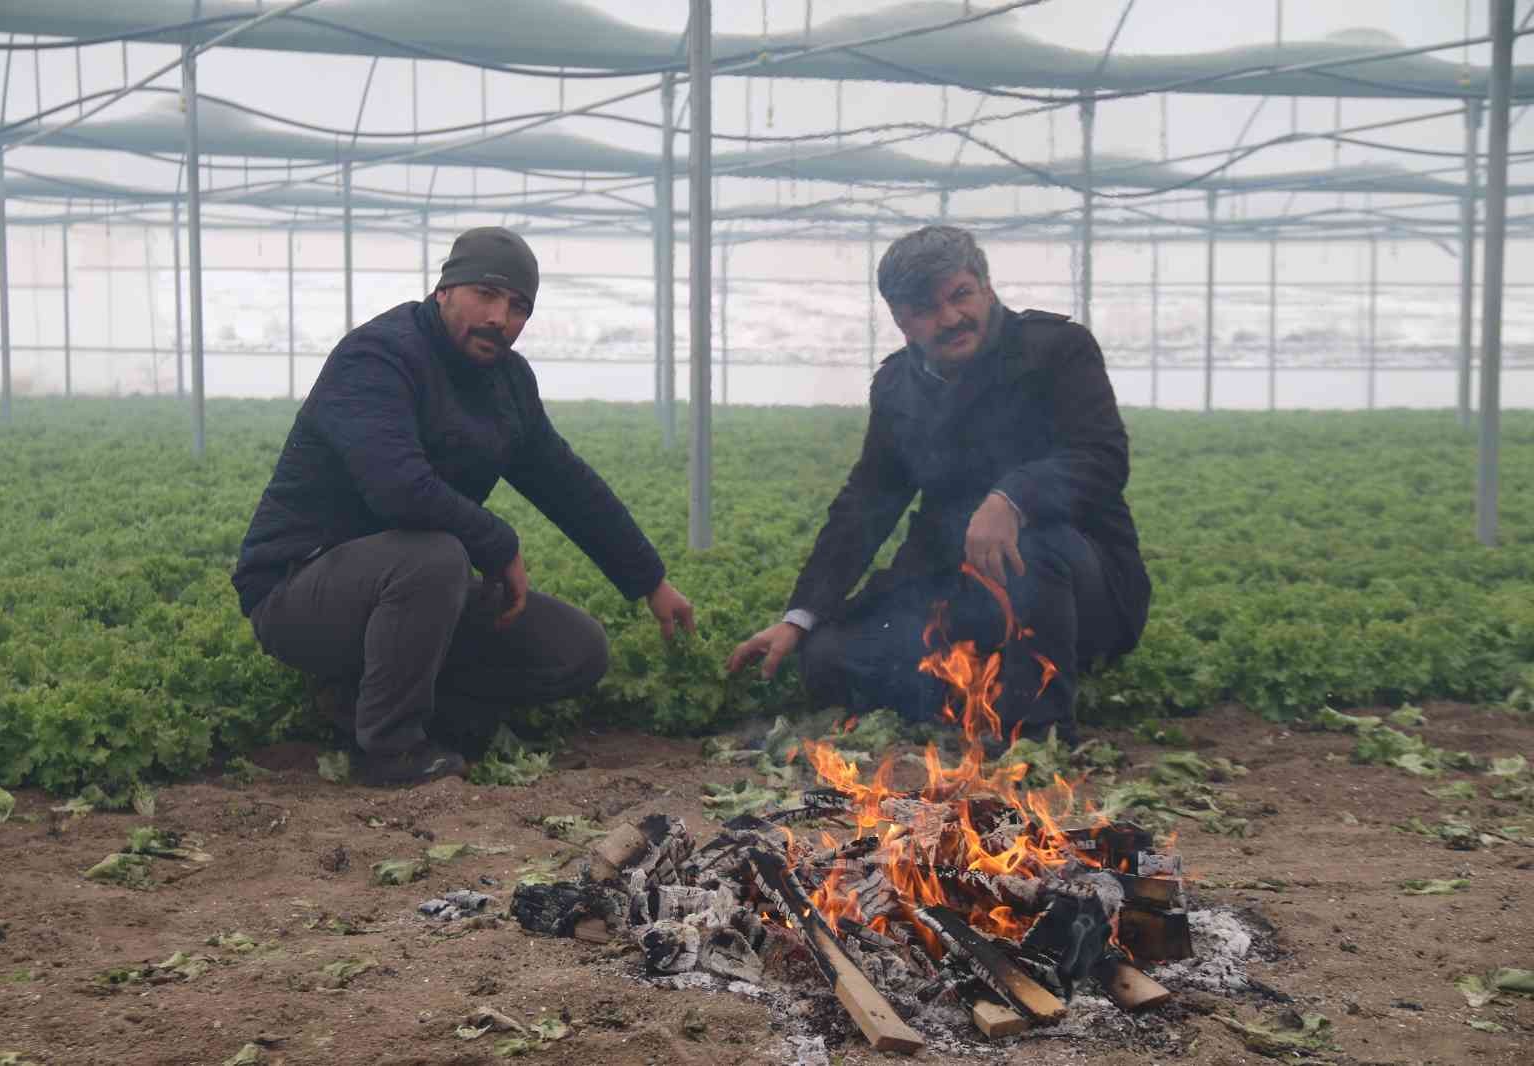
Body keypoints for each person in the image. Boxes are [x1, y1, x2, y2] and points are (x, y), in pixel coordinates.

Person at [233, 226, 695, 786]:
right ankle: (389, 750)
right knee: (436, 556)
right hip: (297, 590)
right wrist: (499, 543)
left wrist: (651, 581)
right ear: (445, 289)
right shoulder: (378, 356)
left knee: (578, 650)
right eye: (487, 294)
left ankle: (365, 700)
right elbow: (398, 487)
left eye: (519, 306)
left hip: (408, 592)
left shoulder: (507, 382)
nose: (501, 317)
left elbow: (566, 484)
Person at [726, 225, 1148, 746]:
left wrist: (1013, 499)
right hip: (959, 590)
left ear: (986, 288)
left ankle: (1037, 734)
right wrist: (799, 617)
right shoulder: (898, 385)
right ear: (901, 321)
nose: (950, 318)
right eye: (927, 308)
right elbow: (868, 502)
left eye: (960, 295)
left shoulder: (1056, 350)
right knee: (828, 655)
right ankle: (975, 699)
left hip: (1078, 590)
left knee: (1032, 547)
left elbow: (1102, 457)